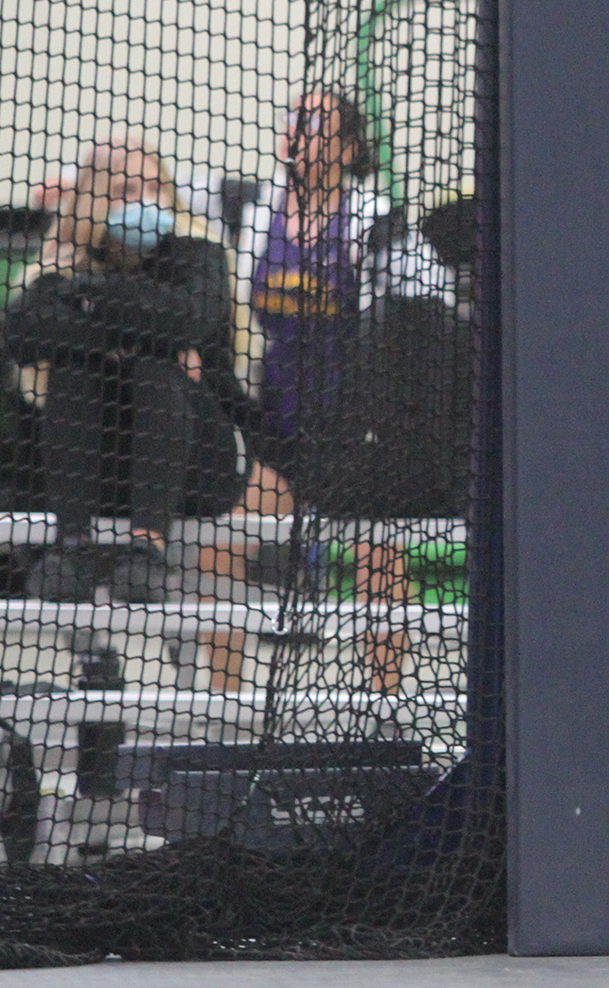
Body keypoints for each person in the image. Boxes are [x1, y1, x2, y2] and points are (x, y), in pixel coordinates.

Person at [228, 88, 459, 694]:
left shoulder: (377, 217)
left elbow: (427, 304)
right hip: (273, 412)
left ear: (350, 147)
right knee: (223, 539)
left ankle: (381, 699)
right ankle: (216, 702)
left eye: (316, 123)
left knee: (377, 555)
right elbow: (159, 187)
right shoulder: (251, 206)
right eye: (293, 120)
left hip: (353, 415)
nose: (299, 130)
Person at [4, 137, 286, 606]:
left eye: (154, 186)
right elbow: (24, 337)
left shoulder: (200, 255)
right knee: (78, 369)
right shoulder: (59, 257)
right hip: (98, 466)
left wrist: (88, 300)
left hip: (197, 462)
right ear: (95, 199)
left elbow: (187, 320)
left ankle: (148, 548)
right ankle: (73, 547)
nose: (143, 200)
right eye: (126, 189)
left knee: (152, 366)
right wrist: (135, 329)